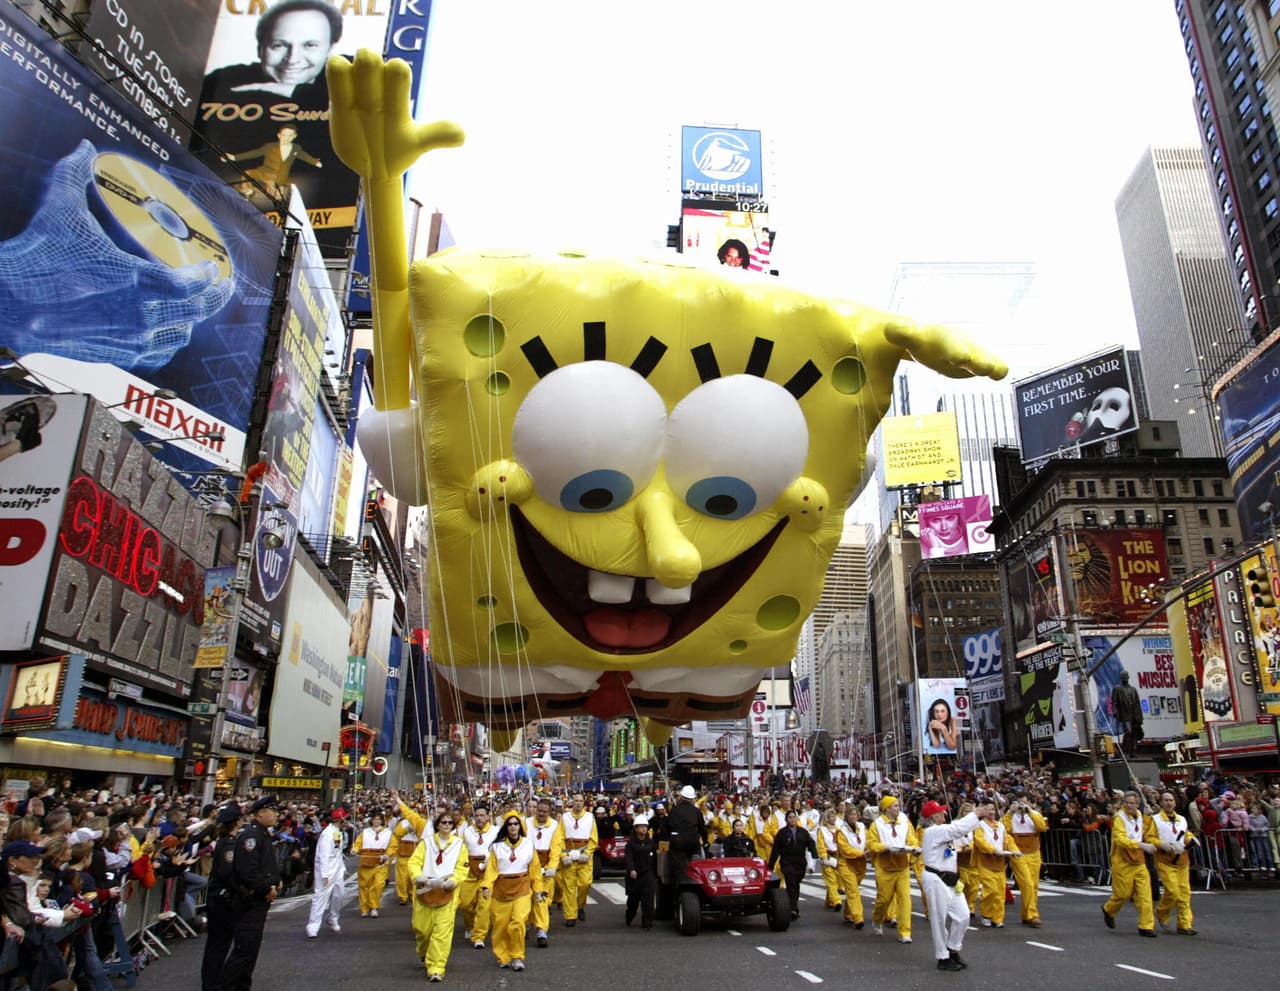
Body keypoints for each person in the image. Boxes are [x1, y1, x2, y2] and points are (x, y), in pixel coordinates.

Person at [201, 796, 281, 991]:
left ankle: (240, 986)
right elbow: (248, 872)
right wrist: (266, 888)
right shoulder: (251, 836)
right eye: (273, 811)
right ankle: (221, 986)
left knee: (249, 952)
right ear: (261, 812)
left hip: (253, 899)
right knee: (243, 951)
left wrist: (275, 881)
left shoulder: (261, 834)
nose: (277, 814)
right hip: (249, 899)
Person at [201, 0, 343, 100]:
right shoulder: (226, 79)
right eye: (279, 45)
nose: (292, 59)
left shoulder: (349, 73)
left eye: (310, 45)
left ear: (330, 50)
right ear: (260, 49)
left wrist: (292, 91)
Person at [920, 799, 988, 972]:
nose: (944, 813)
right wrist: (976, 814)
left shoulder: (942, 831)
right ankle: (942, 956)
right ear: (933, 817)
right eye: (940, 812)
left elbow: (958, 833)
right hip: (936, 877)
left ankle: (952, 948)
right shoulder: (933, 831)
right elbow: (957, 829)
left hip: (950, 878)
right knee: (939, 919)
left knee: (963, 915)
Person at [408, 810, 468, 983]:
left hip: (447, 892)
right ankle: (423, 952)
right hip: (425, 890)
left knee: (442, 933)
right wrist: (417, 876)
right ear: (437, 825)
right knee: (422, 929)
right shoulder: (426, 843)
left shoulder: (459, 845)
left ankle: (436, 967)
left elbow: (462, 868)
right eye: (444, 823)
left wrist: (455, 880)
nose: (447, 825)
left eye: (450, 823)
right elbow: (414, 862)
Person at [480, 813, 543, 972]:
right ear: (505, 828)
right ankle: (503, 956)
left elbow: (535, 870)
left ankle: (517, 956)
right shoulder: (496, 847)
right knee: (500, 927)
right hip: (501, 890)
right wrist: (487, 886)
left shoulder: (528, 844)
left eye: (516, 824)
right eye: (510, 824)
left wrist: (538, 890)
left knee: (518, 923)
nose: (513, 827)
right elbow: (491, 870)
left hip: (522, 888)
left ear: (520, 827)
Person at [1101, 790, 1157, 937]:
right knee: (1123, 894)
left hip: (1138, 860)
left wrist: (1149, 817)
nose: (1129, 806)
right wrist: (1141, 845)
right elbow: (1120, 839)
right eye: (1127, 803)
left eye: (1132, 803)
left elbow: (1141, 830)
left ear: (1138, 804)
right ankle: (1109, 909)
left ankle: (1146, 926)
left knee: (1145, 894)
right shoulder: (1119, 818)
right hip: (1122, 860)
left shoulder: (1139, 815)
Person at [867, 795, 919, 942]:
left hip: (902, 866)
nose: (898, 808)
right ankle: (877, 919)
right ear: (887, 809)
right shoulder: (876, 824)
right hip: (885, 867)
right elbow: (871, 844)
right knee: (884, 900)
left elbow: (911, 838)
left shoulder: (904, 821)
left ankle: (905, 932)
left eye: (898, 805)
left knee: (905, 900)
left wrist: (913, 847)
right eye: (895, 806)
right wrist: (886, 847)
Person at [225, 126, 323, 200]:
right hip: (264, 171)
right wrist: (234, 157)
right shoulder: (270, 146)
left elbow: (304, 156)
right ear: (279, 135)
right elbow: (255, 153)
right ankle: (248, 192)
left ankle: (279, 197)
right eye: (284, 135)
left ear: (294, 136)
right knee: (247, 173)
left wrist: (315, 162)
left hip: (277, 177)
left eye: (290, 135)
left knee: (276, 197)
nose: (286, 138)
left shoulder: (295, 149)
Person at [1150, 791, 1197, 935]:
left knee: (1184, 893)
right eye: (1166, 800)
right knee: (1172, 891)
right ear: (1161, 803)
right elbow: (1150, 837)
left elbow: (1185, 833)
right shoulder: (1155, 819)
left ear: (1175, 803)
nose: (1169, 803)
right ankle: (1162, 912)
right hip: (1165, 860)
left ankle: (1184, 924)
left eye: (1171, 800)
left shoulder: (1182, 819)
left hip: (1182, 859)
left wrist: (1190, 839)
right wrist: (1160, 844)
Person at [972, 802, 1019, 927]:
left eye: (993, 809)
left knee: (1000, 892)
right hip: (986, 861)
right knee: (991, 890)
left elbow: (1007, 840)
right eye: (988, 810)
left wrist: (1014, 850)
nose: (991, 812)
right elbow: (980, 842)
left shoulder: (1000, 826)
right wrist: (993, 850)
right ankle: (986, 913)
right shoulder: (979, 826)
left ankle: (997, 918)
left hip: (999, 862)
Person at [1003, 795, 1048, 927]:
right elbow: (1005, 829)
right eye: (1019, 802)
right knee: (1027, 883)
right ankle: (1032, 914)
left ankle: (1027, 913)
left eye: (1025, 801)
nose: (1022, 805)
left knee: (1033, 885)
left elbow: (1042, 827)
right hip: (1018, 852)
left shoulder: (1035, 814)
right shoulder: (1009, 816)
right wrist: (1011, 812)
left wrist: (1030, 812)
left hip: (1034, 851)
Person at [458, 805, 498, 949]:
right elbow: (461, 850)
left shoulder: (496, 831)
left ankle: (479, 936)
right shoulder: (467, 831)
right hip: (470, 872)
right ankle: (470, 926)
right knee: (466, 904)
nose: (479, 818)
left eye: (482, 815)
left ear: (488, 816)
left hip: (487, 873)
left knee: (484, 905)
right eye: (477, 816)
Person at [525, 798, 562, 948]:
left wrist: (552, 867)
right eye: (539, 810)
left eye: (544, 811)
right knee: (526, 900)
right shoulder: (525, 823)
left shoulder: (554, 826)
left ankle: (541, 931)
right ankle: (526, 924)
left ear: (550, 812)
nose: (541, 813)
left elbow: (556, 849)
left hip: (545, 870)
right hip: (528, 868)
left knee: (541, 901)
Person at [768, 809, 817, 920]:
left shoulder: (803, 832)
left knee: (796, 884)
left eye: (794, 817)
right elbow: (776, 849)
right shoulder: (782, 833)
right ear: (786, 820)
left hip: (800, 862)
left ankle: (793, 906)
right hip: (787, 862)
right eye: (790, 817)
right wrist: (771, 864)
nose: (792, 819)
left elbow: (810, 842)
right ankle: (792, 909)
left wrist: (814, 852)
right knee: (791, 884)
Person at [304, 807, 344, 938]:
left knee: (339, 894)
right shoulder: (327, 834)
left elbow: (337, 852)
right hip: (326, 870)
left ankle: (333, 917)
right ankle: (313, 925)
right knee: (321, 897)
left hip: (337, 869)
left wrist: (342, 867)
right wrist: (325, 874)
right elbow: (324, 855)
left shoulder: (337, 832)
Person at [558, 794, 597, 927]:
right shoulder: (565, 818)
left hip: (584, 857)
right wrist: (563, 856)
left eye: (581, 801)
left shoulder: (589, 817)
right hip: (569, 854)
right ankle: (570, 915)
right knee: (569, 887)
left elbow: (593, 839)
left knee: (585, 884)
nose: (578, 803)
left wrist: (587, 853)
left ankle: (580, 905)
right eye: (576, 801)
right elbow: (560, 838)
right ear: (572, 802)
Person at [666, 785, 709, 886]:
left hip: (677, 846)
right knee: (697, 868)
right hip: (693, 845)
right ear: (692, 799)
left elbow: (667, 828)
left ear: (681, 797)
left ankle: (678, 892)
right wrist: (706, 842)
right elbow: (703, 829)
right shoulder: (696, 812)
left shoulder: (674, 811)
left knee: (678, 871)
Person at [351, 811, 392, 918]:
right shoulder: (365, 832)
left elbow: (393, 846)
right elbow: (357, 844)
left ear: (382, 821)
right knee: (364, 886)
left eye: (378, 819)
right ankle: (364, 908)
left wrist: (387, 855)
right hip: (366, 862)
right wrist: (355, 849)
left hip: (381, 863)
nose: (376, 821)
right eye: (374, 819)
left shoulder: (388, 833)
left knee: (378, 885)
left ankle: (374, 907)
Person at [833, 807, 869, 927]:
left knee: (852, 890)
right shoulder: (841, 831)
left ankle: (848, 913)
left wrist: (869, 850)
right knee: (852, 890)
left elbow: (868, 841)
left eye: (855, 814)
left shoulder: (862, 827)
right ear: (847, 817)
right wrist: (860, 853)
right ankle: (858, 917)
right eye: (851, 815)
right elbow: (845, 850)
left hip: (860, 864)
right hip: (846, 863)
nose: (853, 817)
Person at [623, 814, 657, 929]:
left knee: (648, 901)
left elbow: (655, 859)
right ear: (636, 829)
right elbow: (628, 857)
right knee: (633, 901)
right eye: (640, 827)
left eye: (645, 827)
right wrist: (632, 869)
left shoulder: (651, 843)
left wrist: (655, 874)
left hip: (648, 875)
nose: (643, 829)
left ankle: (648, 923)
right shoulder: (631, 844)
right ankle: (629, 916)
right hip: (635, 876)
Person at [390, 806, 421, 905]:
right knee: (402, 878)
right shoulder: (403, 823)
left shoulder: (420, 823)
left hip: (415, 854)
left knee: (413, 877)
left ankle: (413, 895)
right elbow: (396, 835)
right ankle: (402, 896)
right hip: (403, 853)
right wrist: (407, 829)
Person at [814, 809, 843, 911]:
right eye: (831, 817)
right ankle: (836, 901)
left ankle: (829, 900)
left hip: (838, 857)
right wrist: (823, 856)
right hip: (827, 856)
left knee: (836, 879)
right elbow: (820, 844)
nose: (834, 818)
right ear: (827, 818)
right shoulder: (822, 830)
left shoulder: (839, 829)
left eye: (835, 816)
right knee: (831, 880)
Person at [1110, 672, 1144, 756]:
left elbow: (1137, 704)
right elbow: (1114, 702)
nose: (1125, 678)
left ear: (1128, 677)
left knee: (1134, 733)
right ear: (1121, 678)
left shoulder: (1133, 689)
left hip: (1134, 715)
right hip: (1125, 714)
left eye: (1126, 676)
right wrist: (1115, 711)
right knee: (1128, 731)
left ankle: (1132, 751)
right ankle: (1125, 749)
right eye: (1123, 676)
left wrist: (1140, 717)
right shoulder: (1117, 689)